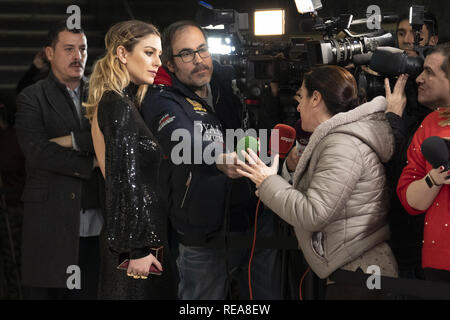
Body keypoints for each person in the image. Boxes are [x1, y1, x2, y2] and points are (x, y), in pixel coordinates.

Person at [142, 20, 282, 300]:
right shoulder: (162, 99)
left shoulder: (229, 82)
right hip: (204, 232)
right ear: (169, 64)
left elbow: (264, 128)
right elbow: (181, 139)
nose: (198, 60)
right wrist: (220, 158)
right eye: (186, 54)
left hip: (256, 219)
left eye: (202, 50)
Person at [237, 65, 398, 300]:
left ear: (316, 99)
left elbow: (315, 214)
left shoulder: (341, 145)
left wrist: (268, 181)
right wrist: (291, 170)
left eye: (301, 97)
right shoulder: (336, 138)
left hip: (358, 273)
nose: (298, 106)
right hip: (352, 266)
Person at [84, 20, 176, 300]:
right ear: (123, 54)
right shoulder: (116, 105)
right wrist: (136, 251)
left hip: (143, 240)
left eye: (159, 54)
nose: (158, 62)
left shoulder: (122, 102)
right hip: (137, 247)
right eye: (149, 53)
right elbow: (122, 180)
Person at [15, 21, 103, 299]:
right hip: (51, 219)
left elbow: (112, 140)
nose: (78, 56)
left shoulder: (101, 94)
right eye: (68, 49)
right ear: (50, 53)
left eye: (83, 49)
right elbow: (38, 152)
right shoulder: (32, 97)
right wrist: (91, 163)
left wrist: (73, 140)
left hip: (97, 218)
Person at [384, 12, 439, 284]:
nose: (408, 41)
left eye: (415, 34)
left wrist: (393, 119)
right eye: (401, 33)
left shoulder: (432, 118)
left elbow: (398, 165)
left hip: (425, 245)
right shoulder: (391, 81)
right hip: (402, 234)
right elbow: (404, 185)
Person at [397, 44, 450, 284]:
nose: (419, 78)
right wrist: (434, 179)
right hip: (438, 261)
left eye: (429, 71)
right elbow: (409, 200)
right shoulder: (431, 123)